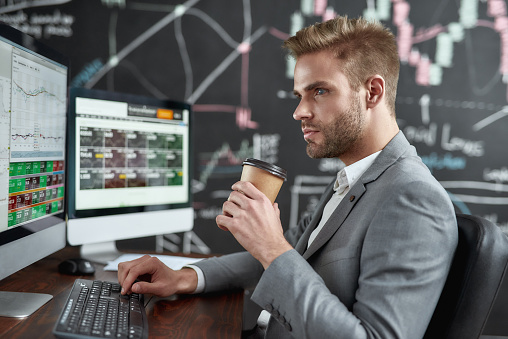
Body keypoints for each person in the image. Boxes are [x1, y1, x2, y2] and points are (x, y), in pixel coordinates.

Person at [118, 15, 458, 339]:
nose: (299, 112)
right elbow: (297, 248)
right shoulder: (357, 177)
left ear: (372, 92)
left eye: (320, 91)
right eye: (300, 95)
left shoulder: (412, 198)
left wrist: (271, 247)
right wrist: (185, 278)